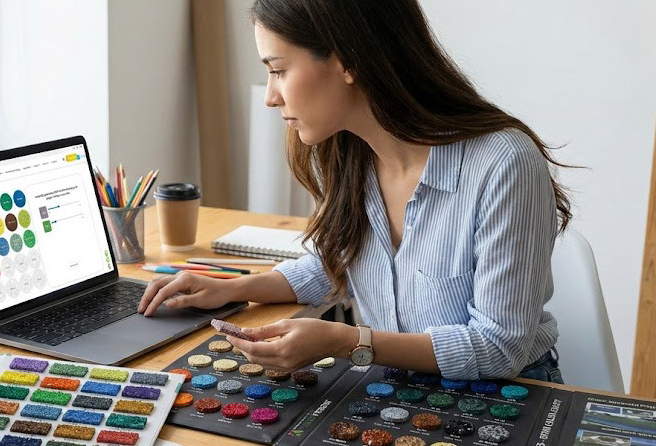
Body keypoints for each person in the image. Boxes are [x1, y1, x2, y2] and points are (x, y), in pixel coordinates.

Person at [138, 0, 569, 383]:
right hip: (400, 382)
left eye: (278, 70)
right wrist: (233, 288)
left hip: (511, 392)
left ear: (348, 62)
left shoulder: (503, 164)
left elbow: (498, 349)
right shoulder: (348, 154)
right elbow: (336, 262)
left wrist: (347, 342)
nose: (270, 96)